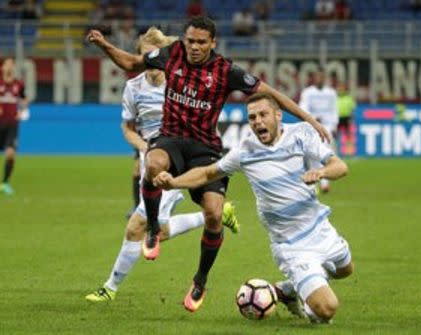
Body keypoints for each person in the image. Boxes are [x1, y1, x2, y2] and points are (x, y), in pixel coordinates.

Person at [87, 16, 329, 313]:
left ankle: (200, 279)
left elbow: (270, 93)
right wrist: (104, 45)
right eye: (191, 41)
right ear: (184, 40)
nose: (195, 47)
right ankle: (152, 229)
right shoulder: (171, 53)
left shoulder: (225, 70)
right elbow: (131, 63)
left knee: (214, 213)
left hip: (205, 148)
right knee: (152, 165)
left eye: (202, 42)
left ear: (212, 43)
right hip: (171, 138)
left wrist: (310, 120)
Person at [154, 92, 354, 324]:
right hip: (291, 244)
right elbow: (208, 173)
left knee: (345, 270)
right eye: (252, 117)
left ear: (278, 115)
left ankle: (284, 290)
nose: (257, 121)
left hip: (320, 226)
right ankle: (308, 304)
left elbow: (340, 166)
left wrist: (321, 172)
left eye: (263, 114)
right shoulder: (244, 152)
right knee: (326, 309)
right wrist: (174, 182)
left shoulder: (301, 133)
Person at [85, 27, 239, 303]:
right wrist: (142, 147)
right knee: (153, 228)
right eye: (146, 56)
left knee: (136, 227)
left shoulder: (180, 78)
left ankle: (110, 288)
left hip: (175, 155)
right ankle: (214, 216)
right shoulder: (133, 87)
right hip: (153, 152)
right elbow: (128, 128)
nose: (153, 64)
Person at [298, 66, 338, 193]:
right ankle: (313, 184)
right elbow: (302, 109)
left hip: (327, 128)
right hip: (312, 127)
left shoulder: (331, 93)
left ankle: (325, 183)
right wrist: (314, 119)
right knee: (311, 156)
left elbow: (334, 110)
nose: (319, 79)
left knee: (326, 154)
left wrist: (334, 125)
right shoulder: (307, 93)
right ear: (314, 78)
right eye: (317, 76)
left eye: (322, 77)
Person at [0, 57, 29, 195]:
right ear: (2, 67)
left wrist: (23, 110)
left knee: (11, 154)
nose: (10, 66)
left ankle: (5, 183)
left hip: (12, 124)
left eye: (12, 64)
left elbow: (24, 98)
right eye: (7, 64)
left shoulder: (19, 84)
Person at [336, 81, 356, 156]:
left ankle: (349, 152)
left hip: (347, 118)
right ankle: (335, 151)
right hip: (337, 118)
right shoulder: (336, 98)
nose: (341, 89)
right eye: (340, 88)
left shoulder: (349, 98)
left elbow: (352, 109)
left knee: (348, 136)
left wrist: (351, 118)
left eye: (342, 88)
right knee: (336, 136)